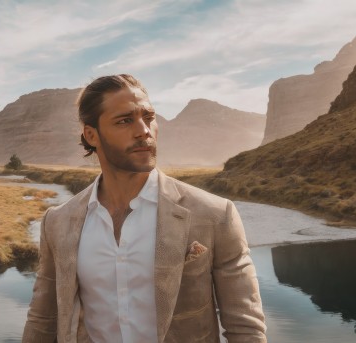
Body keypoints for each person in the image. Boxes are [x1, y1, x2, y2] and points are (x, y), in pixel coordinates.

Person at [22, 74, 266, 343]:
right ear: (91, 135)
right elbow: (42, 320)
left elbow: (246, 327)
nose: (144, 131)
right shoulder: (58, 222)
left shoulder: (215, 215)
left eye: (148, 117)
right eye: (125, 120)